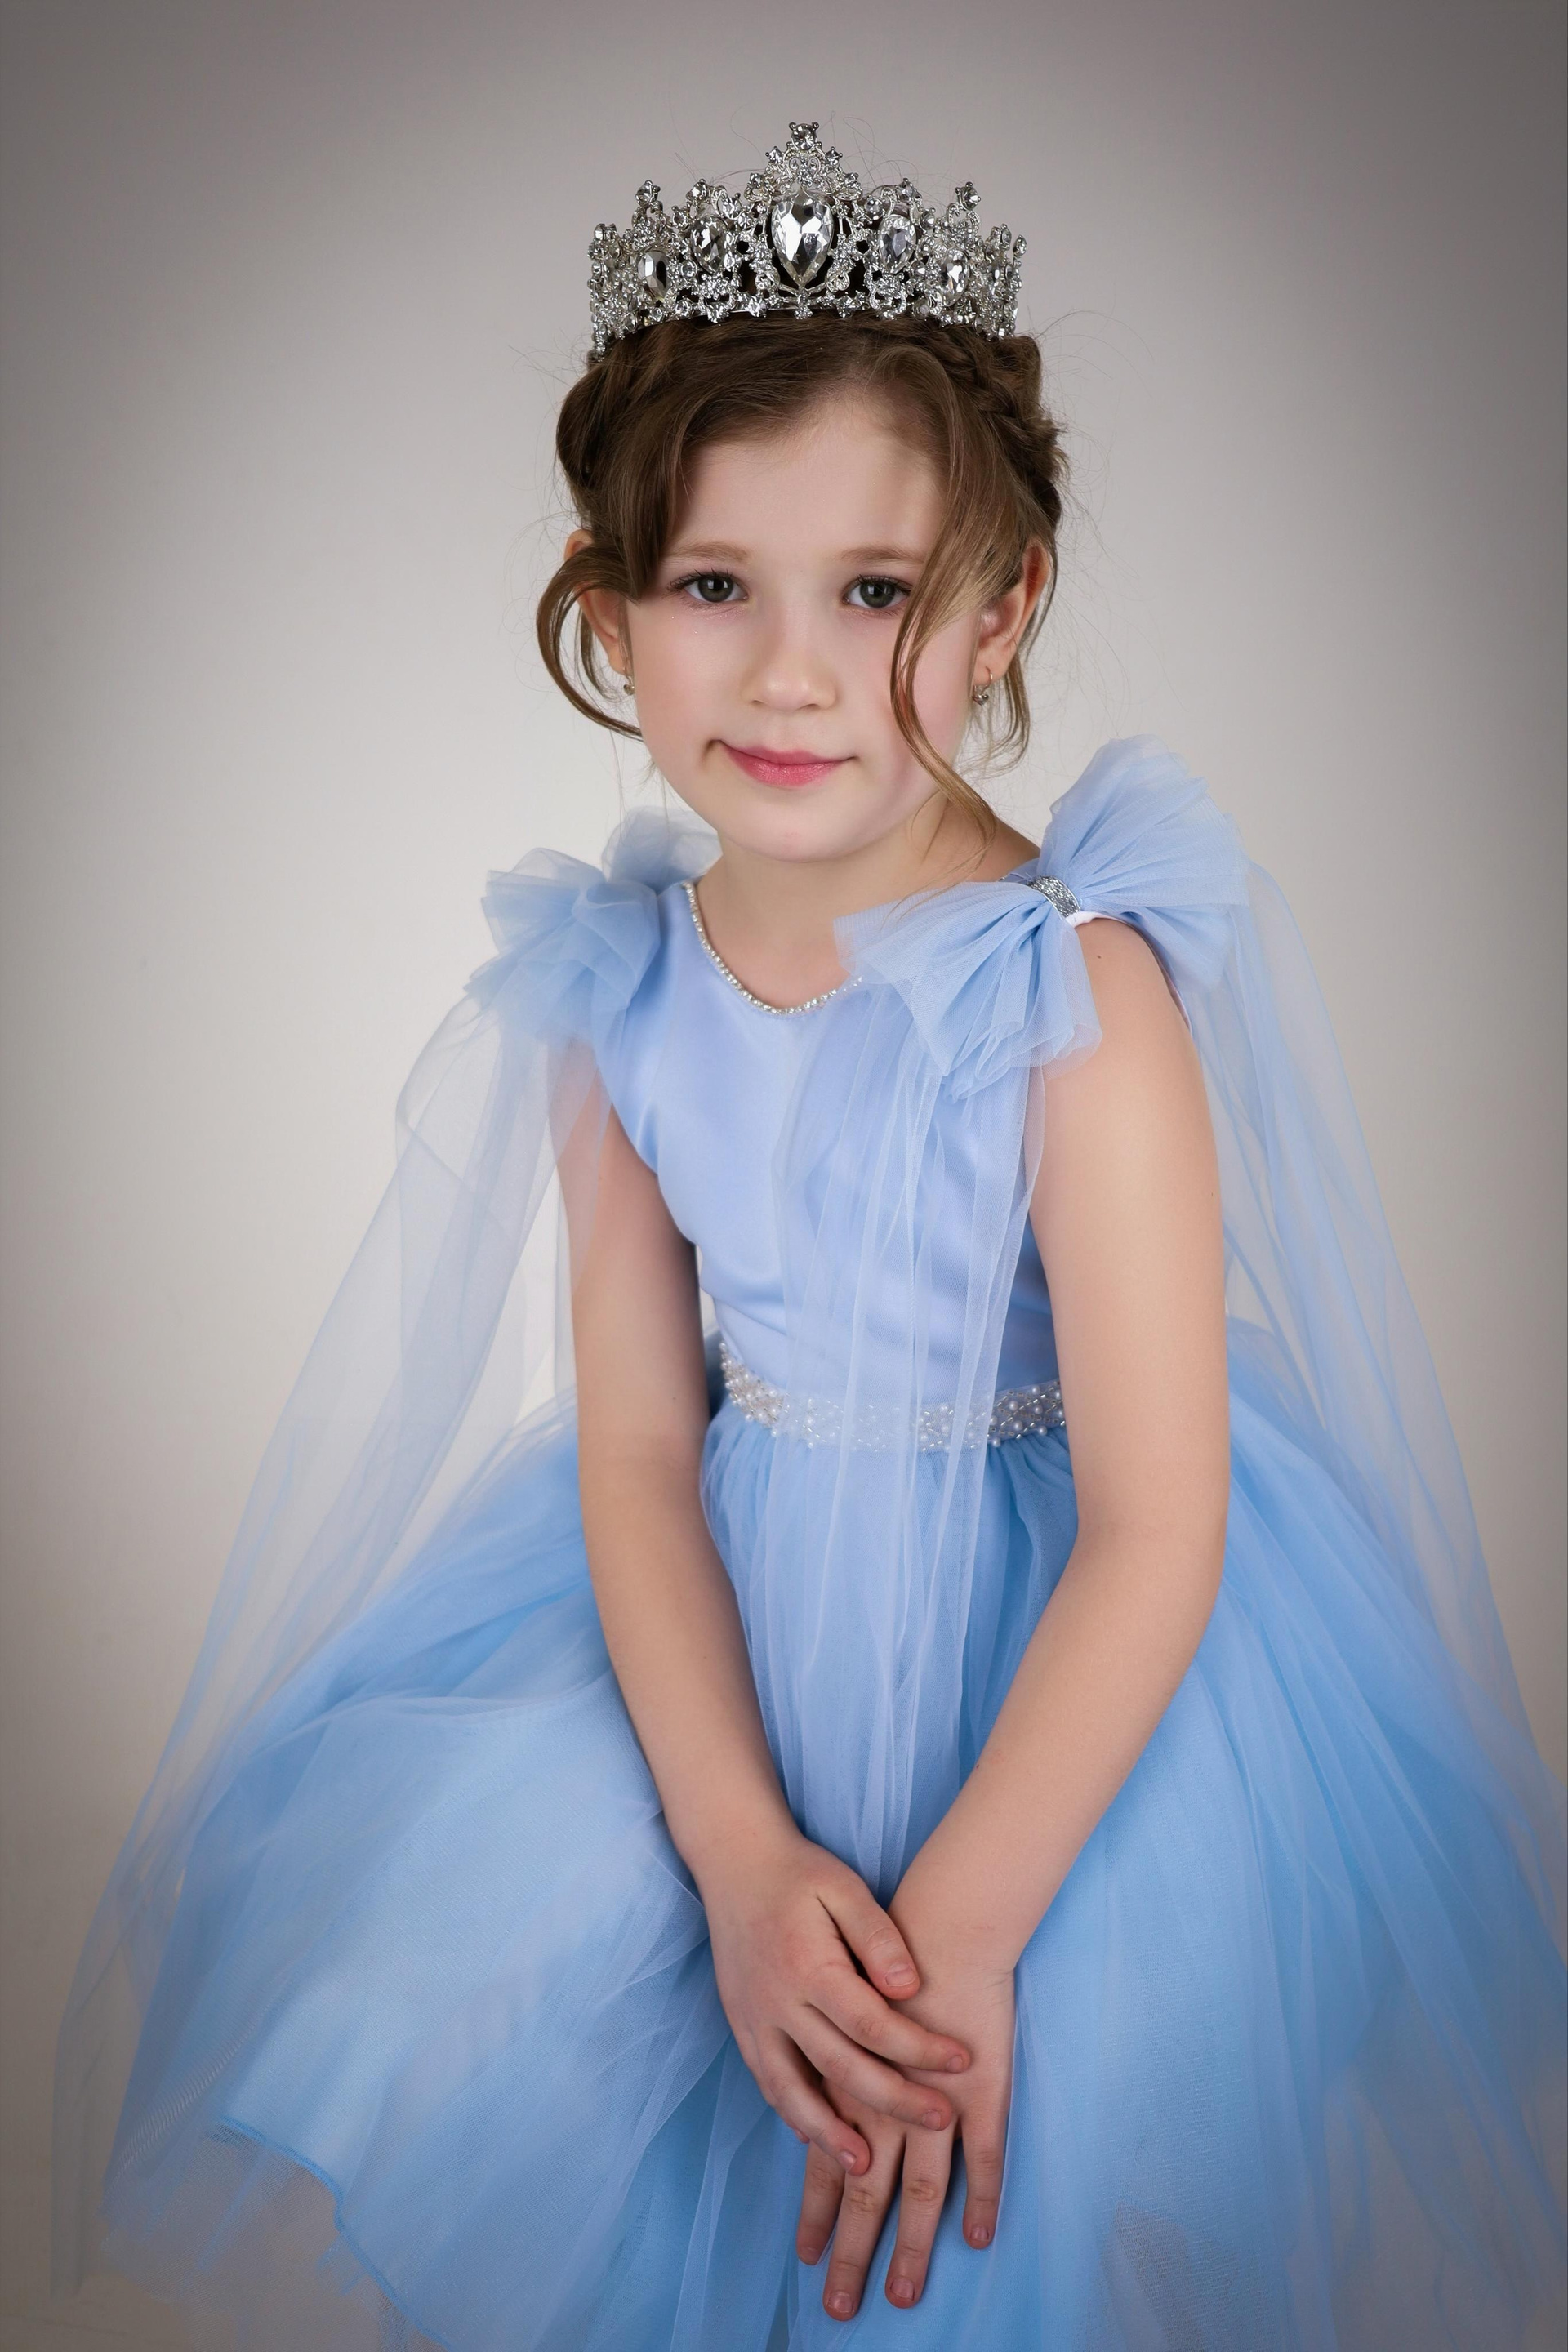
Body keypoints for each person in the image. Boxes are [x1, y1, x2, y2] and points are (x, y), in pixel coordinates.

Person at [52, 122, 1566, 2350]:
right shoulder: (616, 995)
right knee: (523, 2010)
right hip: (728, 1618)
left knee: (981, 2190)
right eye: (712, 587)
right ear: (606, 605)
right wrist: (745, 1857)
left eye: (873, 592)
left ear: (1002, 608)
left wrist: (963, 1927)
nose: (787, 673)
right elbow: (636, 1453)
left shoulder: (1075, 991)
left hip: (1061, 1656)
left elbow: (1160, 1525)